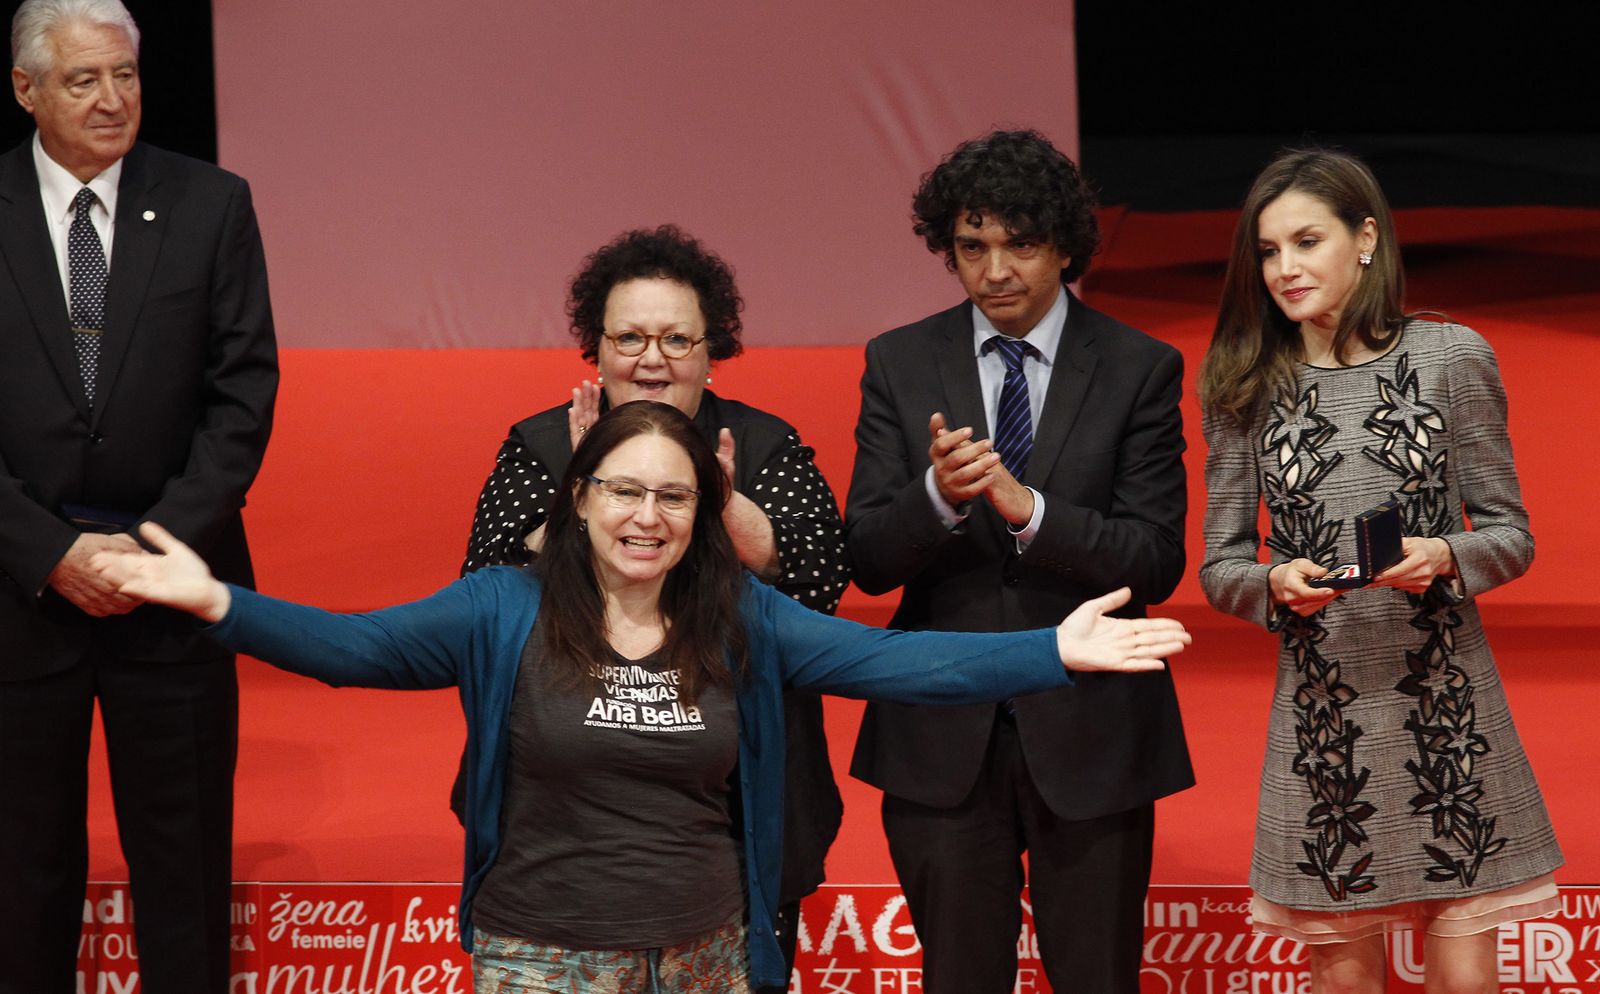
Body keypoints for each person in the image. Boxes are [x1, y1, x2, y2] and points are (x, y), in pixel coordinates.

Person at [90, 400, 1192, 994]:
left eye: (674, 496)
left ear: (703, 512)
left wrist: (1051, 649)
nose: (647, 517)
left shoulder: (741, 616)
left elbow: (899, 667)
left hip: (706, 957)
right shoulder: (500, 607)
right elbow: (354, 647)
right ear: (578, 498)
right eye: (624, 490)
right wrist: (218, 602)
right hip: (540, 958)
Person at [1197, 147, 1561, 992]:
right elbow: (1221, 565)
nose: (1284, 269)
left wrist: (1445, 555)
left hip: (1449, 714)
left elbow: (1510, 534)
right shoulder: (1244, 383)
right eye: (1268, 251)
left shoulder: (1450, 357)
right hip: (1324, 724)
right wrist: (1272, 583)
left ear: (1365, 239)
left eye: (1306, 241)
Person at [843, 128, 1193, 993]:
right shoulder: (898, 361)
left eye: (1021, 245)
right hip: (940, 736)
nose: (995, 271)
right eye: (972, 247)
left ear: (1065, 247)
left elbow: (1154, 560)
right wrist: (937, 497)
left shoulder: (1139, 367)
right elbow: (868, 559)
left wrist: (1027, 510)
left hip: (1093, 733)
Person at [458, 224, 848, 986]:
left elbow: (822, 580)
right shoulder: (542, 445)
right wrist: (581, 491)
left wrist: (722, 503)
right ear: (597, 349)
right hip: (564, 808)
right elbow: (483, 588)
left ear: (711, 350)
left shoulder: (764, 444)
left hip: (741, 791)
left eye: (676, 339)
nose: (651, 360)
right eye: (630, 338)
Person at [0, 1, 279, 991]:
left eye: (124, 74)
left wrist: (152, 548)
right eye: (84, 80)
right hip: (17, 594)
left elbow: (242, 396)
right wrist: (48, 551)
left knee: (183, 860)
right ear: (26, 89)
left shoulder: (212, 203)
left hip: (173, 591)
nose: (113, 98)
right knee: (20, 868)